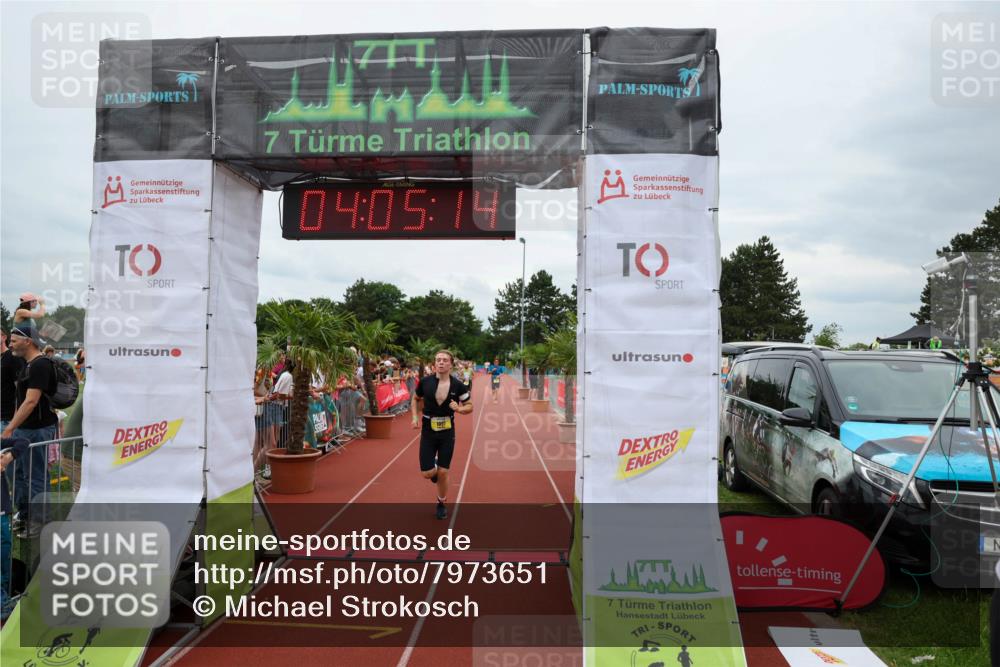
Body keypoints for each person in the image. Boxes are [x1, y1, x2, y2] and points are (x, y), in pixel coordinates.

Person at [2, 325, 58, 536]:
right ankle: (25, 516)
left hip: (37, 429)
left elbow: (31, 401)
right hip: (25, 430)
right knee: (22, 476)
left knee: (36, 478)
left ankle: (40, 523)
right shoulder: (29, 364)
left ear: (28, 341)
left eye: (14, 340)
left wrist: (9, 428)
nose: (11, 344)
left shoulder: (40, 364)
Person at [411, 350, 472, 519]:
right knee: (428, 474)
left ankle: (441, 502)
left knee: (444, 473)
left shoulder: (458, 385)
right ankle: (434, 467)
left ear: (451, 364)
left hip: (447, 433)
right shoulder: (425, 382)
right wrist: (414, 417)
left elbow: (470, 405)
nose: (441, 362)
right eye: (438, 360)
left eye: (445, 360)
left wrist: (459, 409)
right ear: (434, 363)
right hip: (428, 432)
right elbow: (415, 399)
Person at [1, 435, 29, 620]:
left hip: (2, 511)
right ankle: (3, 603)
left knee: (5, 550)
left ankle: (6, 594)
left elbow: (23, 441)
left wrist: (8, 457)